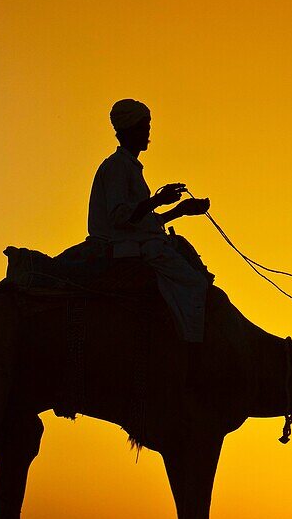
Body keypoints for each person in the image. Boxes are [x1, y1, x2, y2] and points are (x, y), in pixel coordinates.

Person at [88, 99, 211, 342]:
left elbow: (138, 222)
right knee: (196, 284)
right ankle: (192, 342)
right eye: (143, 127)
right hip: (123, 249)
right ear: (128, 130)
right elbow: (120, 217)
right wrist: (157, 201)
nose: (148, 132)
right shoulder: (116, 167)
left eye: (148, 126)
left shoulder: (129, 167)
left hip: (136, 243)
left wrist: (180, 210)